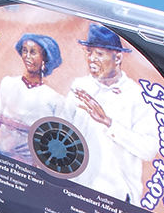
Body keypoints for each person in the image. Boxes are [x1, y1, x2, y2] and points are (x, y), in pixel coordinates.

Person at [63, 24, 158, 203]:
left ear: (118, 57)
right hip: (75, 191)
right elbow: (64, 133)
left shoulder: (137, 96)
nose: (92, 59)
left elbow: (149, 150)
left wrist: (109, 123)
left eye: (99, 54)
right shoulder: (79, 87)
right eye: (89, 52)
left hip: (116, 198)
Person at [0, 33, 63, 163]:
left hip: (27, 168)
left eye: (33, 52)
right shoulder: (8, 83)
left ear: (45, 58)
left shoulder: (54, 100)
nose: (27, 56)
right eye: (24, 51)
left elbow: (55, 144)